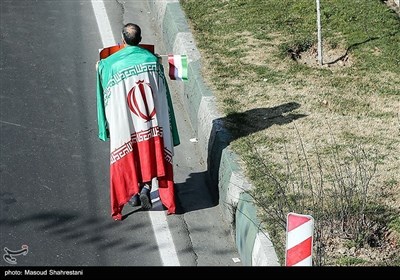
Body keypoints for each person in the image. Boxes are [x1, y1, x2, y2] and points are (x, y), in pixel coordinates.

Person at [96, 23, 180, 221]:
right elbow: (163, 96)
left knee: (130, 150)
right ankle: (145, 186)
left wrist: (104, 127)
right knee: (149, 151)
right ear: (140, 40)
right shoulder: (152, 61)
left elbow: (103, 95)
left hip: (125, 118)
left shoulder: (110, 65)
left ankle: (132, 192)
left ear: (122, 40)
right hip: (149, 119)